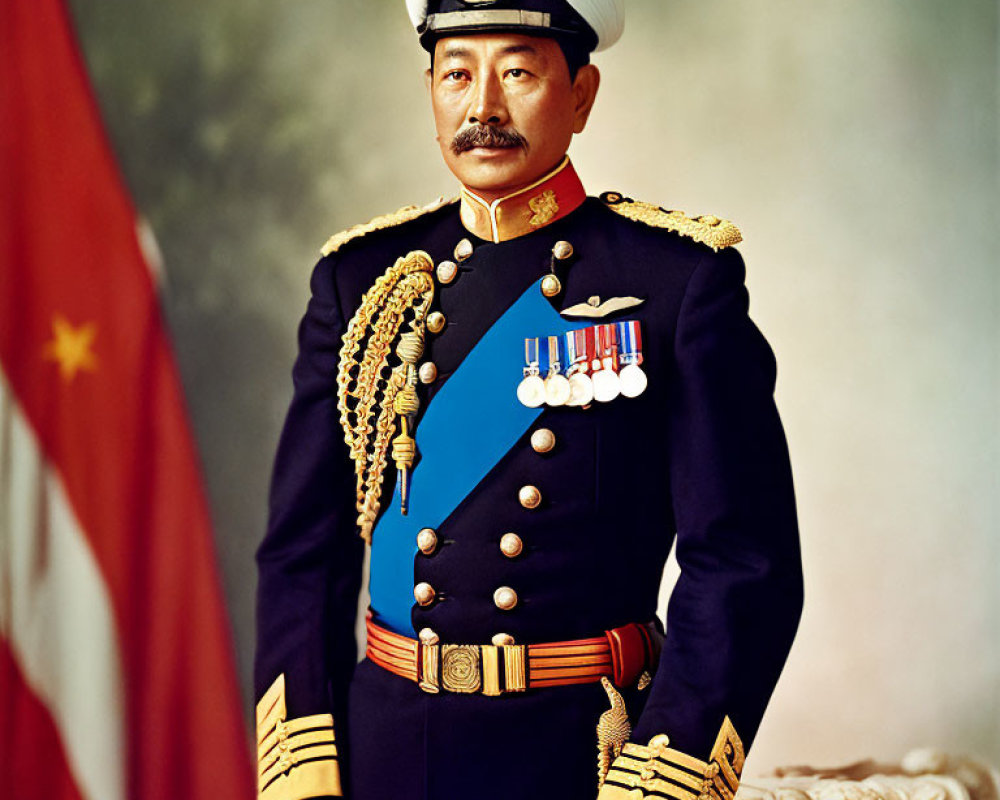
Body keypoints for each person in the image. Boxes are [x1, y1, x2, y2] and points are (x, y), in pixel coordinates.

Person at [254, 2, 804, 799]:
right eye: (456, 75)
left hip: (585, 759)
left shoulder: (673, 284)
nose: (483, 108)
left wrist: (668, 770)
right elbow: (303, 553)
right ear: (430, 93)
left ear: (582, 93)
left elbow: (744, 563)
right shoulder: (363, 282)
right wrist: (304, 760)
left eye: (516, 71)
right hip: (386, 754)